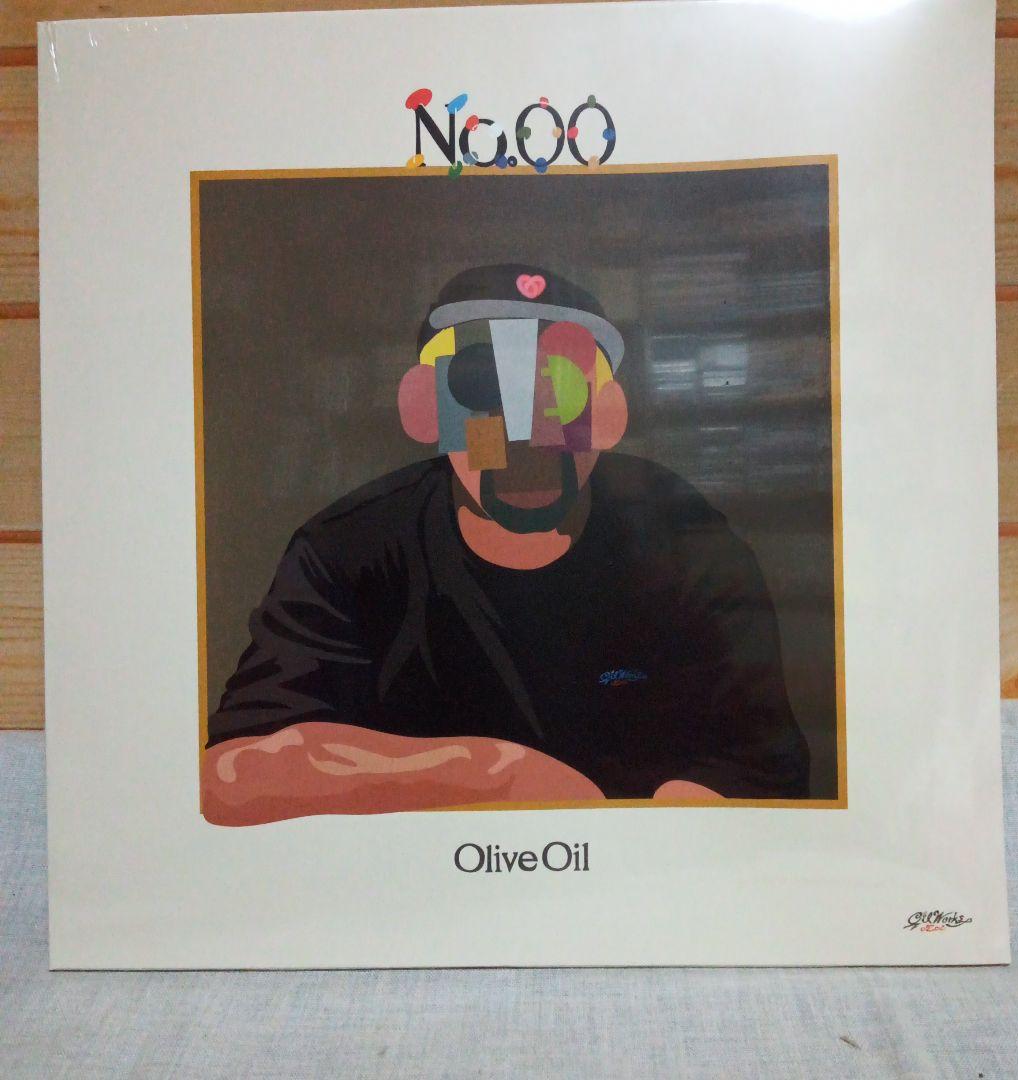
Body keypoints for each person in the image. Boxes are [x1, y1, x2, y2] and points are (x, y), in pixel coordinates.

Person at [202, 265, 809, 825]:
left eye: (561, 386)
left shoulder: (681, 534)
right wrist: (490, 776)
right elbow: (229, 775)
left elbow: (762, 766)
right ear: (424, 408)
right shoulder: (349, 547)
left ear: (607, 411)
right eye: (480, 382)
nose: (525, 432)